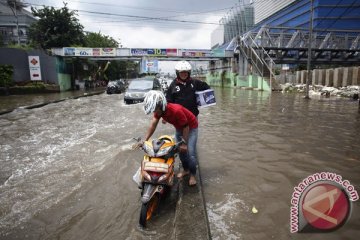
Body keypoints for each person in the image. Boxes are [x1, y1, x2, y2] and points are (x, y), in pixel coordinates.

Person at [140, 90, 199, 186]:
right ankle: (186, 170)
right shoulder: (159, 111)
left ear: (161, 105)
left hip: (190, 127)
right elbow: (153, 125)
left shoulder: (176, 110)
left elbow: (186, 127)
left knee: (190, 153)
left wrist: (184, 143)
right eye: (154, 110)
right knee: (181, 152)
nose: (155, 112)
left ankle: (193, 175)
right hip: (179, 127)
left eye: (155, 109)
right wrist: (145, 140)